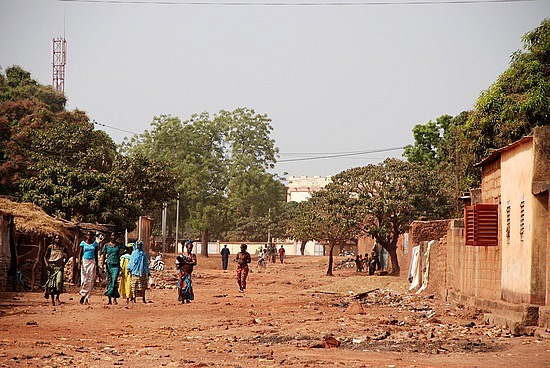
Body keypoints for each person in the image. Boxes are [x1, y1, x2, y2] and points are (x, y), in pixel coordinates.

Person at [43, 234, 69, 306]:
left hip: (59, 267)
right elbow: (45, 257)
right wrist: (47, 264)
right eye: (57, 239)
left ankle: (57, 297)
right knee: (51, 285)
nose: (58, 240)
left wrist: (63, 264)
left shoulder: (63, 248)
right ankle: (52, 300)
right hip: (51, 267)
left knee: (59, 282)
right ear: (54, 239)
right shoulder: (50, 247)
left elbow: (67, 256)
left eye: (59, 239)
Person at [100, 232, 124, 305]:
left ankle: (111, 294)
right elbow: (104, 255)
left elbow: (127, 249)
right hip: (109, 265)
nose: (113, 237)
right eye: (112, 235)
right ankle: (111, 299)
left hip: (116, 265)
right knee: (110, 281)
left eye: (114, 235)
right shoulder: (106, 245)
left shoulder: (119, 245)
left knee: (114, 280)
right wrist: (102, 266)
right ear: (110, 236)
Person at [77, 231, 100, 305]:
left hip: (92, 262)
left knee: (90, 280)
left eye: (91, 235)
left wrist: (97, 265)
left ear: (93, 236)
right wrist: (79, 263)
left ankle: (86, 297)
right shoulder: (83, 243)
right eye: (88, 235)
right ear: (86, 235)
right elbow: (80, 253)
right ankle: (83, 293)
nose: (89, 236)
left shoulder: (95, 244)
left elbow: (96, 255)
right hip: (84, 262)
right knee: (84, 280)